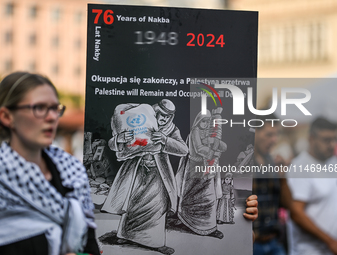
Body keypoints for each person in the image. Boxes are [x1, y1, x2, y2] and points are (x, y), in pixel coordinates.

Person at [0, 72, 100, 255]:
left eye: (55, 108)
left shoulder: (73, 171)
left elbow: (89, 245)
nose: (52, 117)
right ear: (7, 116)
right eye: (39, 107)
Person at [101, 99, 188, 255]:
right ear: (155, 111)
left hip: (158, 174)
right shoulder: (137, 120)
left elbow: (183, 149)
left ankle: (155, 243)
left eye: (169, 116)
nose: (164, 119)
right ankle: (125, 235)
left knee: (157, 206)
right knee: (131, 204)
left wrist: (165, 140)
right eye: (162, 114)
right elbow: (111, 144)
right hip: (136, 171)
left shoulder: (171, 129)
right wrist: (119, 139)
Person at [287, 117, 337, 255]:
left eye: (334, 139)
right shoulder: (300, 167)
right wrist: (331, 241)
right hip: (310, 250)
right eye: (326, 140)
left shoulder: (333, 162)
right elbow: (297, 213)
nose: (331, 144)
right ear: (311, 138)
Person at [176, 110, 227, 239]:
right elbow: (199, 149)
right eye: (204, 120)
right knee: (190, 196)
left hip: (206, 168)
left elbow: (221, 143)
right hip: (195, 167)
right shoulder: (195, 131)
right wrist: (213, 152)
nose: (206, 123)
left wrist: (217, 144)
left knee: (208, 197)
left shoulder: (207, 132)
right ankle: (186, 220)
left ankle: (207, 227)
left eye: (208, 121)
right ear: (198, 121)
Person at [252, 113, 292, 255]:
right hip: (252, 245)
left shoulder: (272, 162)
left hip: (274, 242)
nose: (274, 140)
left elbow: (287, 204)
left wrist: (282, 176)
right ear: (254, 131)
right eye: (269, 135)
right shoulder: (241, 163)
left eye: (276, 135)